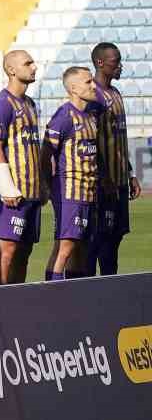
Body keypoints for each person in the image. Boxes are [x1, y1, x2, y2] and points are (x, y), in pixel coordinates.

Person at [0, 49, 47, 285]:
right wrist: (6, 187)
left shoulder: (31, 104)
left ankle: (16, 302)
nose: (34, 67)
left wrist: (42, 183)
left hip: (32, 192)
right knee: (7, 252)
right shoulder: (2, 103)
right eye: (28, 63)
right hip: (13, 192)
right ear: (11, 70)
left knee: (24, 252)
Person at [44, 67, 101, 280]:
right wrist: (48, 186)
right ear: (74, 88)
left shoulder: (90, 116)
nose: (93, 86)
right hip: (69, 193)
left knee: (81, 249)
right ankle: (52, 295)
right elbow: (46, 151)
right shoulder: (64, 115)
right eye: (88, 82)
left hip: (88, 192)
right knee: (64, 247)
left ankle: (74, 297)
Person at [88, 42, 138, 275]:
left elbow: (118, 140)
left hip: (119, 181)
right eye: (115, 61)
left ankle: (110, 285)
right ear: (100, 62)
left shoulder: (116, 94)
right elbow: (91, 140)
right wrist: (103, 175)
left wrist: (130, 174)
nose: (120, 66)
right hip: (102, 184)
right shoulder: (92, 96)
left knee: (116, 236)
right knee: (99, 237)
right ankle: (87, 287)